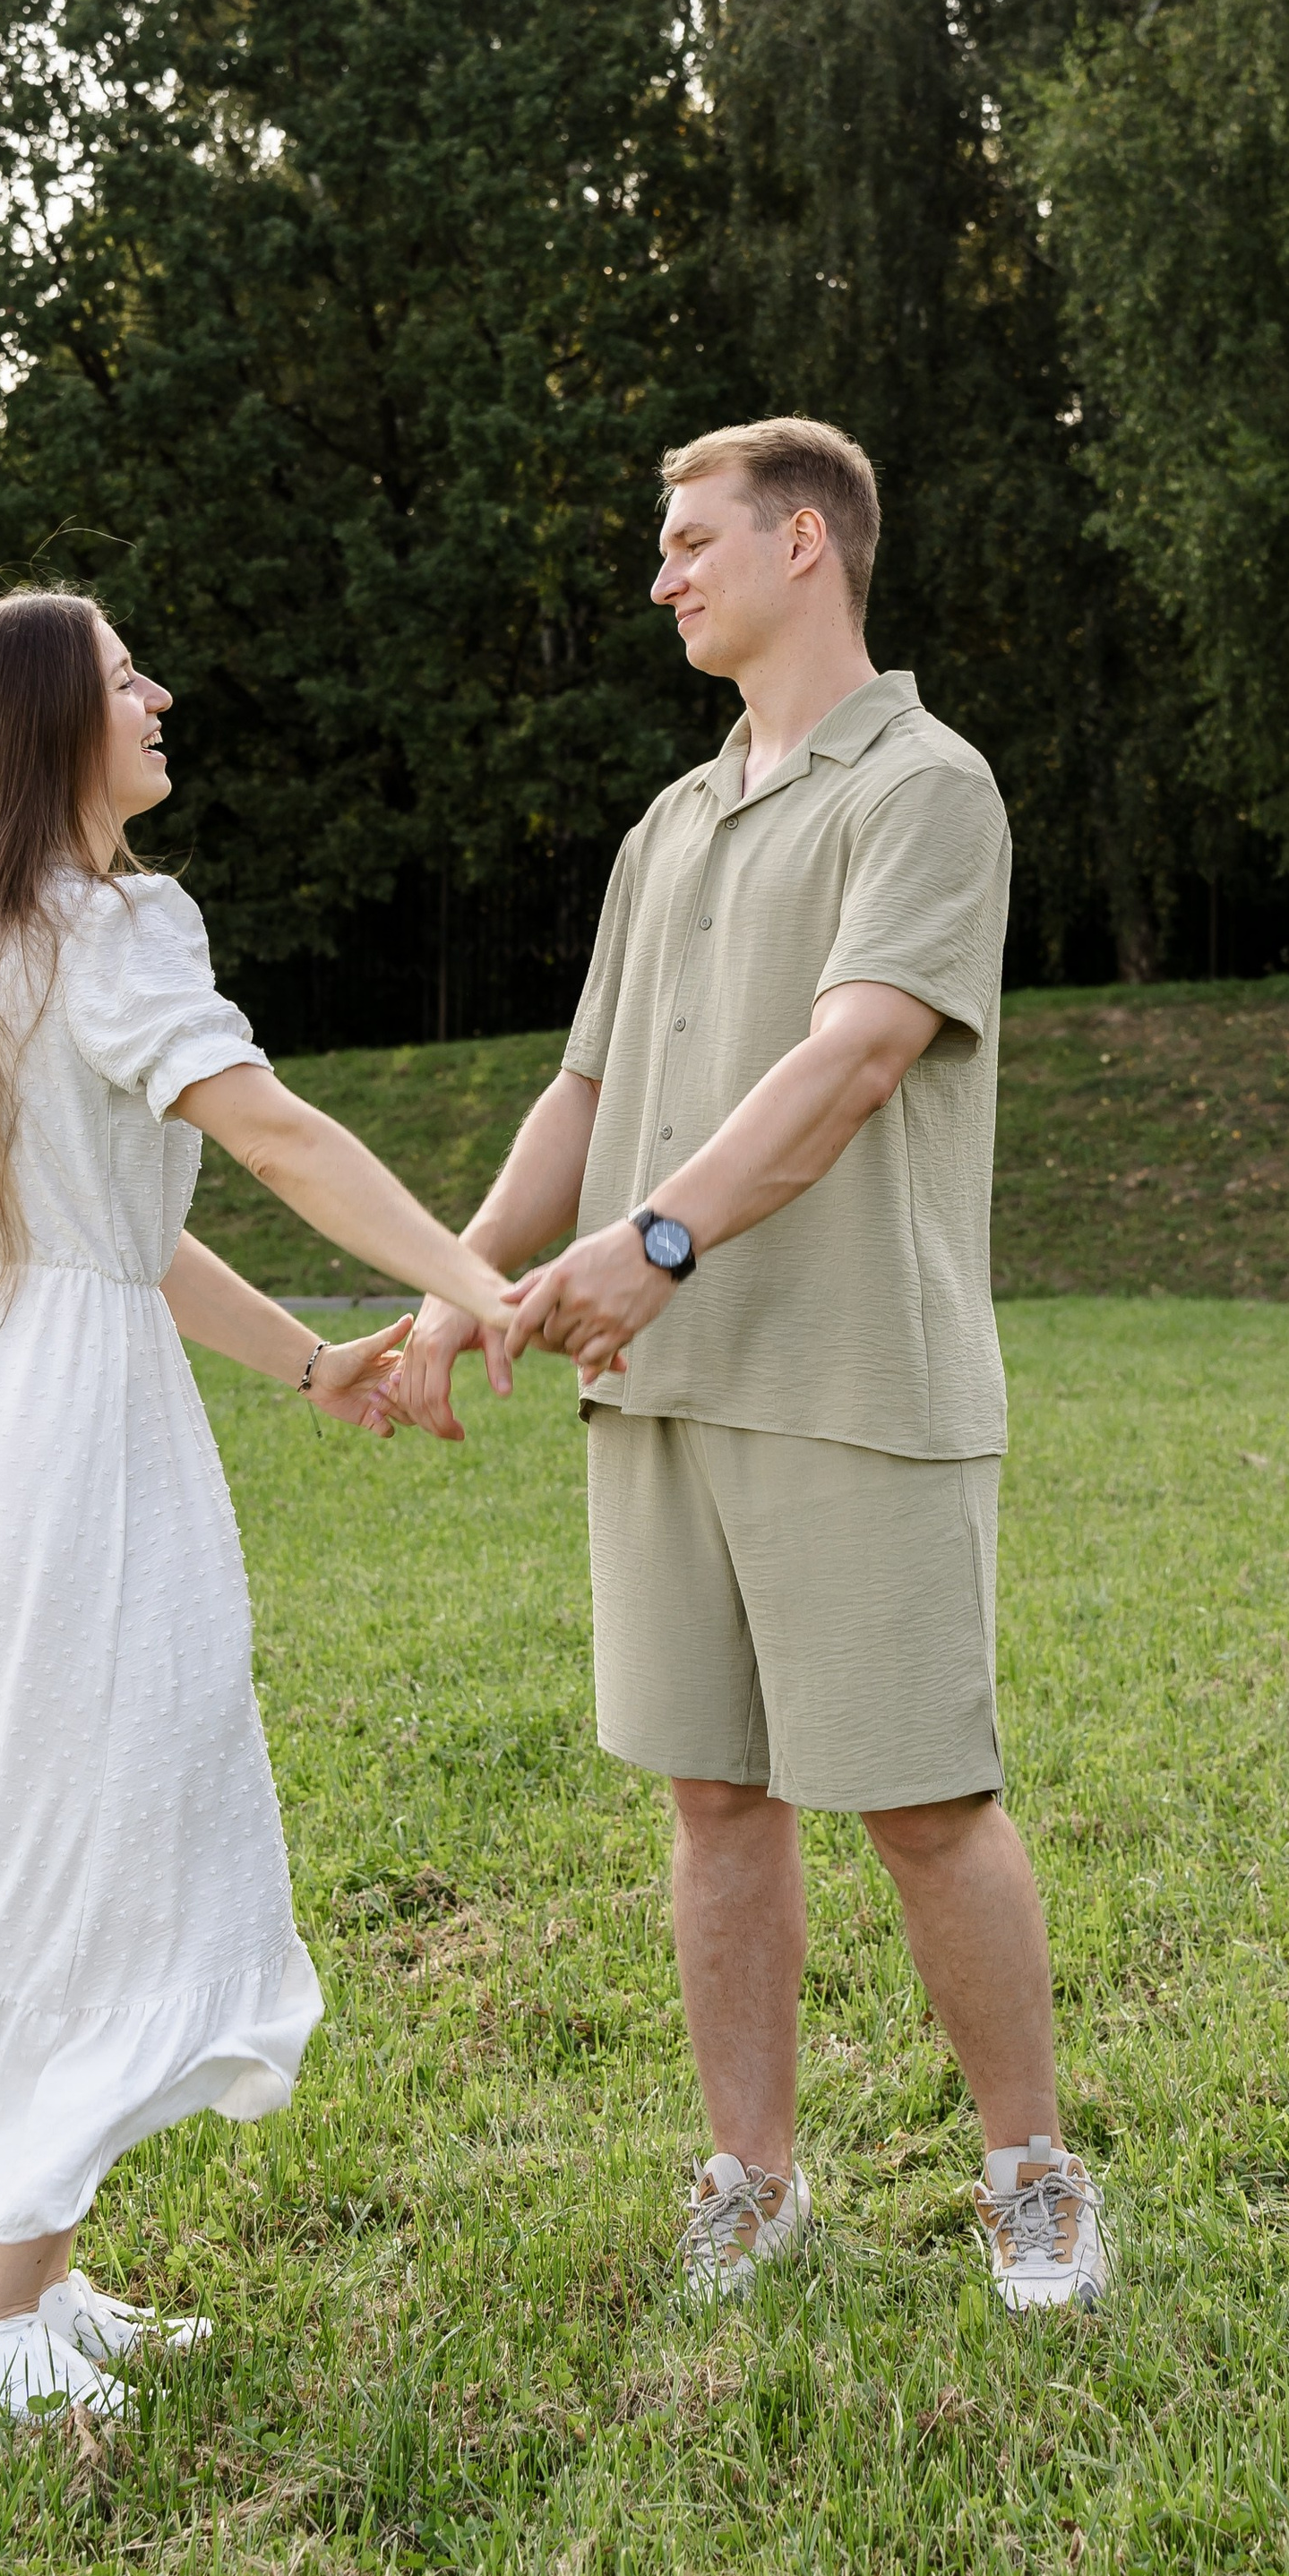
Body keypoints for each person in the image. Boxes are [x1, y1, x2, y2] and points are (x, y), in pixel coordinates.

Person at [0, 588, 508, 2423]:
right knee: (104, 1843)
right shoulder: (110, 924)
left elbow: (129, 1228)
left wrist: (308, 1362)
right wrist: (473, 1284)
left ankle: (41, 2272)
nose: (158, 693)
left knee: (42, 1826)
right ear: (48, 726)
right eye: (121, 677)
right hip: (68, 1445)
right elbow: (271, 1134)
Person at [397, 418, 1107, 2313]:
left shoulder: (927, 788)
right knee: (713, 1797)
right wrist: (456, 1285)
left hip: (851, 1379)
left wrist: (651, 1244)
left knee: (921, 1800)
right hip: (657, 1390)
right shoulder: (672, 821)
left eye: (690, 542)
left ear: (804, 543)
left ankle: (1031, 2175)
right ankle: (753, 2181)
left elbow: (857, 1053)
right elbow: (584, 1089)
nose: (662, 578)